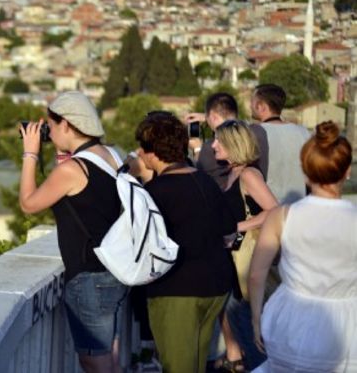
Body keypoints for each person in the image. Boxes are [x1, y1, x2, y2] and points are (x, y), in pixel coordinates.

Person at [19, 91, 126, 373]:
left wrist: (30, 153)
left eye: (51, 127)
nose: (49, 133)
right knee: (108, 356)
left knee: (95, 362)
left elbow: (29, 203)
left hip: (89, 276)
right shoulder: (111, 155)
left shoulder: (74, 170)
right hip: (114, 269)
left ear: (66, 124)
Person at [130, 112, 236, 373]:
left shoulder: (155, 192)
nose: (140, 155)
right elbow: (230, 231)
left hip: (177, 291)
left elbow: (139, 242)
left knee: (177, 367)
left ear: (153, 152)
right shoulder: (205, 180)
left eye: (142, 149)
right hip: (216, 286)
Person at [249, 121, 357, 371]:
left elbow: (256, 275)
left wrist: (256, 318)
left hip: (292, 323)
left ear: (306, 173)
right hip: (347, 328)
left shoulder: (282, 216)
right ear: (347, 172)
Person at [211, 119, 279, 371]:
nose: (213, 144)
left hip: (249, 264)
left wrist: (238, 227)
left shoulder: (249, 174)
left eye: (219, 140)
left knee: (252, 329)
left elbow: (274, 209)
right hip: (236, 264)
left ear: (234, 144)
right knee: (240, 321)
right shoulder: (232, 173)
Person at [186, 92, 268, 189]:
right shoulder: (258, 132)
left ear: (213, 116)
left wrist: (197, 149)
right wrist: (208, 116)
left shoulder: (209, 148)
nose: (215, 144)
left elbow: (199, 175)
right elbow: (237, 126)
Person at [250, 84, 310, 204]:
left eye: (252, 102)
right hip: (300, 206)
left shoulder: (254, 132)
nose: (250, 106)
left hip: (269, 210)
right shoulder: (304, 132)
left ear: (260, 106)